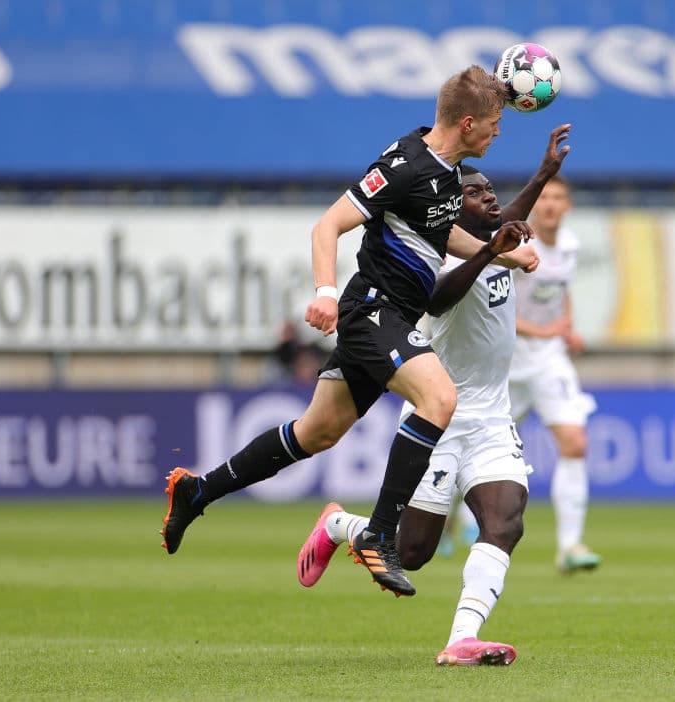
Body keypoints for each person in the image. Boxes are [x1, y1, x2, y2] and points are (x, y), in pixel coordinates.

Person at [159, 65, 538, 599]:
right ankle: (379, 535)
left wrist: (500, 252)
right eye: (495, 123)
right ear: (469, 122)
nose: (499, 133)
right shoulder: (403, 166)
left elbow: (439, 232)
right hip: (372, 311)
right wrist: (325, 293)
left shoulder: (449, 170)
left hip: (395, 318)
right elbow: (328, 224)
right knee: (439, 397)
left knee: (316, 433)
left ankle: (197, 491)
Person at [296, 124, 572, 667]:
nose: (489, 197)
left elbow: (504, 226)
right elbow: (441, 301)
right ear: (450, 210)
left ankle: (460, 639)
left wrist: (541, 176)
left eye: (491, 190)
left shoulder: (493, 241)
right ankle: (339, 525)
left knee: (506, 518)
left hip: (491, 414)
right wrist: (491, 252)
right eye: (475, 192)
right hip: (438, 412)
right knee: (414, 550)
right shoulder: (433, 254)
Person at [509, 175, 601, 574]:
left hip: (548, 359)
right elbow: (497, 309)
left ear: (568, 206)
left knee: (575, 442)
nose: (549, 204)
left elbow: (562, 292)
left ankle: (569, 546)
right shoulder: (515, 246)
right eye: (543, 197)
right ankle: (449, 521)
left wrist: (567, 327)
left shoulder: (570, 246)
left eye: (558, 197)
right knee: (473, 449)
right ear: (533, 205)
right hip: (505, 362)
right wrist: (546, 330)